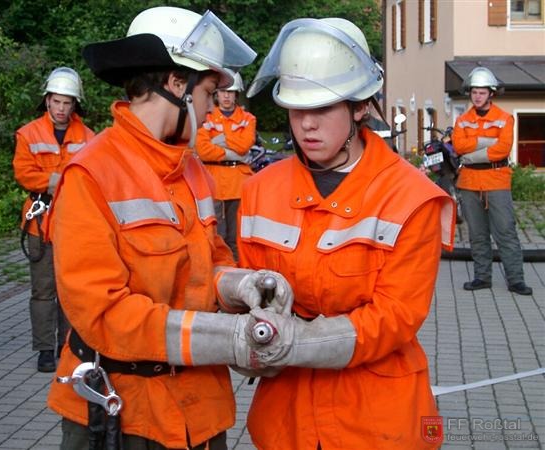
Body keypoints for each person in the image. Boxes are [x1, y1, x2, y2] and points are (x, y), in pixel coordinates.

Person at [46, 7, 292, 449]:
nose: (211, 106)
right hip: (124, 414)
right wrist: (226, 338)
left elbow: (210, 260)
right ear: (177, 84)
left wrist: (241, 285)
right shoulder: (92, 174)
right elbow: (103, 314)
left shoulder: (190, 168)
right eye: (208, 92)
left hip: (198, 406)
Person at [241, 18, 456, 449]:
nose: (306, 125)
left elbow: (395, 317)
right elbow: (251, 298)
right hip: (288, 417)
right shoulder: (260, 189)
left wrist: (294, 341)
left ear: (360, 107)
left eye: (322, 108)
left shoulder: (411, 197)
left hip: (377, 419)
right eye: (297, 109)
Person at [13, 67, 95, 373]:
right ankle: (45, 348)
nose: (61, 108)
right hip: (40, 219)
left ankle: (68, 345)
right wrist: (56, 180)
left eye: (67, 103)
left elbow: (93, 175)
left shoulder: (88, 137)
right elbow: (23, 173)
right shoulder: (29, 133)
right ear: (47, 101)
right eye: (56, 102)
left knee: (71, 289)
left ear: (75, 105)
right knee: (43, 290)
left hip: (73, 222)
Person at [452, 67, 532, 296]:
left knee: (506, 232)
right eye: (474, 92)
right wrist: (487, 141)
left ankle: (516, 280)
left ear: (491, 94)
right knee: (477, 234)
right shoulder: (462, 119)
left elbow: (503, 149)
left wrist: (472, 149)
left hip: (496, 181)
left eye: (482, 92)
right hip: (469, 183)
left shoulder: (504, 118)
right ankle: (482, 277)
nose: (477, 96)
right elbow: (459, 146)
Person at [195, 72, 257, 258]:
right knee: (216, 235)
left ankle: (239, 276)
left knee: (237, 237)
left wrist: (220, 139)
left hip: (239, 184)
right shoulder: (206, 117)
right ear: (216, 94)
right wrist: (235, 151)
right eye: (223, 92)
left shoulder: (248, 118)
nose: (227, 96)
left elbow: (246, 145)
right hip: (214, 183)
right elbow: (203, 150)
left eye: (231, 92)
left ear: (236, 94)